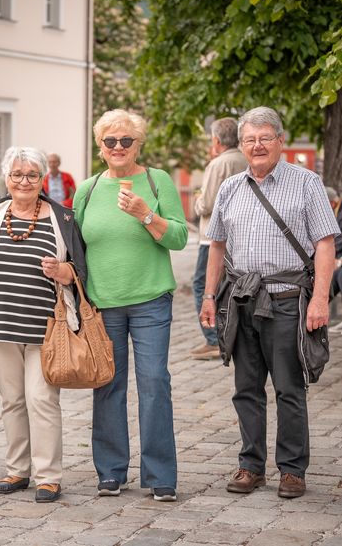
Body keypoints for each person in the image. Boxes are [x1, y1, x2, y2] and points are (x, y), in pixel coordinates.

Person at [200, 106, 339, 499]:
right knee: (246, 388)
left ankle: (293, 470)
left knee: (289, 389)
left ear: (280, 140)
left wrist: (320, 300)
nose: (257, 145)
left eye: (264, 138)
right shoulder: (230, 187)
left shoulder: (307, 183)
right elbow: (217, 247)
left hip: (287, 301)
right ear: (241, 145)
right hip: (241, 300)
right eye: (249, 139)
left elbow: (325, 245)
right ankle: (250, 465)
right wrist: (210, 296)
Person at [73, 109, 188, 502]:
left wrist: (145, 214)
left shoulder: (157, 182)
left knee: (155, 383)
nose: (118, 147)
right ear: (100, 147)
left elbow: (178, 238)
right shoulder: (87, 190)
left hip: (151, 300)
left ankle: (160, 475)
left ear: (139, 145)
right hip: (103, 304)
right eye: (111, 141)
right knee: (107, 385)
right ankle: (110, 471)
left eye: (126, 141)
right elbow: (77, 247)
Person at [0, 146, 86, 503]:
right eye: (17, 175)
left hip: (46, 328)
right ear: (6, 178)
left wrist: (65, 272)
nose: (24, 181)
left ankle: (48, 475)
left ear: (42, 178)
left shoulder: (61, 219)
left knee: (41, 398)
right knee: (12, 399)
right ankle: (18, 469)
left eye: (32, 175)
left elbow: (79, 270)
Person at [191, 118, 247, 360]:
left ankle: (213, 339)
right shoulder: (246, 160)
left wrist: (197, 199)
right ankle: (233, 336)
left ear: (216, 139)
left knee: (203, 286)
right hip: (241, 235)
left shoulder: (218, 164)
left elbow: (207, 204)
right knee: (232, 286)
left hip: (213, 237)